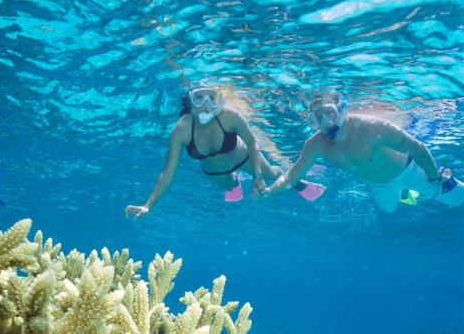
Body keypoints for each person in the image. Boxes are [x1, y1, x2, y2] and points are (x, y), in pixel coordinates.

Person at [256, 88, 463, 212]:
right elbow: (292, 177)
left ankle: (435, 179)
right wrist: (268, 191)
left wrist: (433, 177)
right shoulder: (315, 144)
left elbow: (417, 148)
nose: (326, 122)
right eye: (317, 118)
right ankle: (403, 194)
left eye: (329, 114)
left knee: (456, 199)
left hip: (410, 170)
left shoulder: (371, 127)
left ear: (341, 110)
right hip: (378, 185)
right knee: (389, 209)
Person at [125, 80, 283, 219]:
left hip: (243, 157)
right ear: (190, 100)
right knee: (229, 187)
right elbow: (168, 172)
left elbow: (252, 142)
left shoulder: (230, 116)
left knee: (270, 174)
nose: (205, 105)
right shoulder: (182, 129)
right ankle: (236, 179)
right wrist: (148, 205)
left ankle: (292, 179)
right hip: (216, 171)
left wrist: (257, 175)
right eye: (199, 97)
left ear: (219, 100)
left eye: (211, 98)